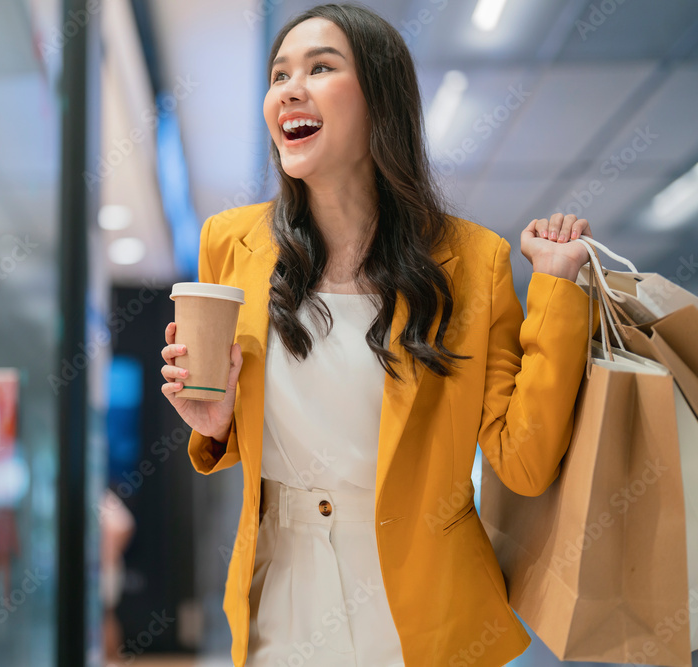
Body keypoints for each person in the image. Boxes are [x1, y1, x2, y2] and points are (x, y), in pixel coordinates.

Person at [160, 3, 594, 666]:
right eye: (279, 74)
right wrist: (217, 425)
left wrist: (559, 289)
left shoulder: (473, 262)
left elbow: (527, 461)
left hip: (429, 614)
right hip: (282, 601)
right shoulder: (230, 242)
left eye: (321, 67)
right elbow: (247, 425)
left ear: (381, 101)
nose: (289, 89)